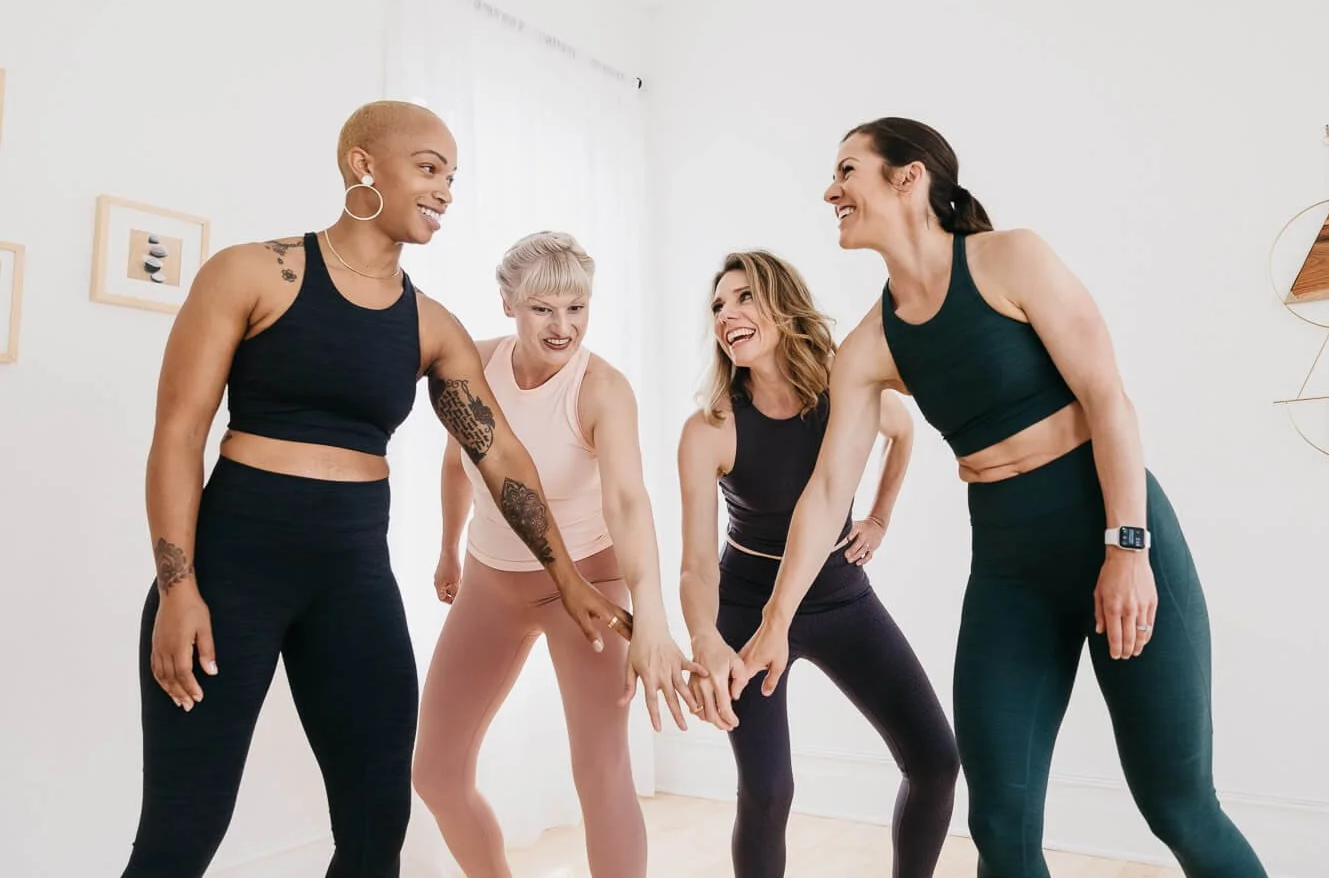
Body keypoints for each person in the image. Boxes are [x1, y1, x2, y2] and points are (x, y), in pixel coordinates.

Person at [734, 118, 1268, 878]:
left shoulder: (1011, 258)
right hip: (1012, 573)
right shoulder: (870, 347)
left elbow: (1107, 398)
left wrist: (1127, 547)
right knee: (1000, 822)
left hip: (1115, 533)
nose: (832, 190)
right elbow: (826, 493)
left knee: (1177, 803)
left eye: (848, 170)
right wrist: (776, 621)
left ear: (908, 177)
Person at [123, 101, 631, 878]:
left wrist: (566, 574)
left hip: (352, 577)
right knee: (183, 831)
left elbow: (501, 459)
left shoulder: (430, 324)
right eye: (430, 168)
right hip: (231, 571)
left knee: (375, 824)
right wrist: (177, 587)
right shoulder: (253, 271)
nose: (446, 191)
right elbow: (178, 435)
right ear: (364, 165)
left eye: (453, 177)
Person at [411, 230, 704, 878]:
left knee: (600, 771)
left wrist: (651, 615)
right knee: (434, 771)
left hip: (589, 590)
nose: (563, 325)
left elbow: (628, 501)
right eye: (544, 307)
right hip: (491, 582)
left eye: (577, 307)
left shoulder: (602, 389)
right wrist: (447, 551)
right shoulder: (476, 365)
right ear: (509, 301)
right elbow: (460, 464)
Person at [678, 250, 960, 878]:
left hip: (841, 600)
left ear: (782, 303)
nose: (728, 314)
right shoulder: (712, 428)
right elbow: (696, 564)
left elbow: (902, 429)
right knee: (769, 791)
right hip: (747, 612)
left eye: (745, 297)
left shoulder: (843, 393)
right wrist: (705, 638)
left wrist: (879, 518)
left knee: (937, 761)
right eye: (718, 306)